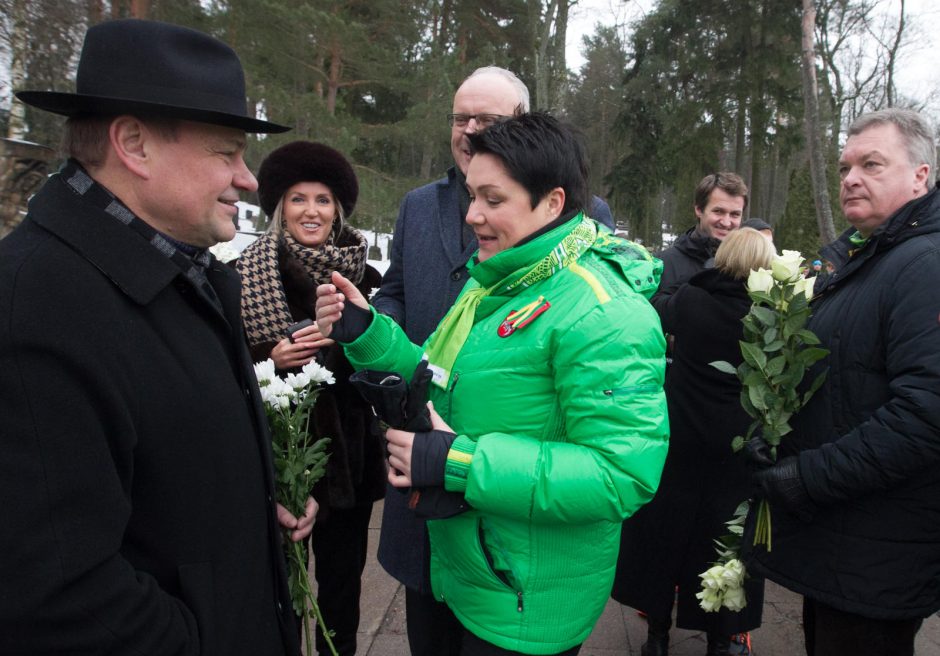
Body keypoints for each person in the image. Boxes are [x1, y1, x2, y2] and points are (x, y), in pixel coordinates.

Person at [0, 19, 315, 655]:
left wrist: (248, 527)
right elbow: (56, 596)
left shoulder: (185, 272)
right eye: (226, 152)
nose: (249, 178)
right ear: (135, 145)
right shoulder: (33, 308)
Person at [316, 112, 669, 655]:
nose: (472, 214)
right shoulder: (497, 281)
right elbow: (436, 377)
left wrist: (458, 462)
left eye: (493, 200)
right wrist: (366, 333)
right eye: (472, 196)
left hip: (527, 601)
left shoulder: (604, 313)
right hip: (464, 572)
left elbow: (621, 475)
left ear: (552, 203)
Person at [370, 65, 615, 656]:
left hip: (506, 502)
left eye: (488, 119)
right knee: (429, 613)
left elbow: (612, 463)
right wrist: (376, 328)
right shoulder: (418, 204)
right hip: (425, 450)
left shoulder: (587, 248)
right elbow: (398, 288)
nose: (470, 129)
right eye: (461, 117)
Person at [744, 108, 940, 656]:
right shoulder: (865, 259)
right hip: (846, 545)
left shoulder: (924, 264)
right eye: (846, 166)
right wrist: (777, 430)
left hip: (879, 552)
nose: (851, 177)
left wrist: (805, 477)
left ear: (920, 176)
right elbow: (841, 380)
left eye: (872, 164)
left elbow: (925, 415)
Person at [237, 141, 387, 656]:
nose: (311, 211)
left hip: (348, 463)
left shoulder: (367, 278)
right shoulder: (246, 274)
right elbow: (227, 363)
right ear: (280, 208)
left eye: (323, 200)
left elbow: (384, 366)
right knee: (284, 592)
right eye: (298, 199)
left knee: (342, 592)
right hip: (283, 461)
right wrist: (269, 357)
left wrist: (346, 341)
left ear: (337, 210)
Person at [613, 228, 773, 656]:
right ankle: (723, 640)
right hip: (737, 447)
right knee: (726, 540)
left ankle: (657, 636)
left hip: (681, 436)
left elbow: (653, 308)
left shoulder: (693, 300)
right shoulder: (772, 318)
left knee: (665, 535)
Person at [653, 172, 748, 311]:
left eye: (735, 214)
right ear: (699, 209)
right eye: (718, 211)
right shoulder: (661, 265)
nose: (726, 222)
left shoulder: (749, 268)